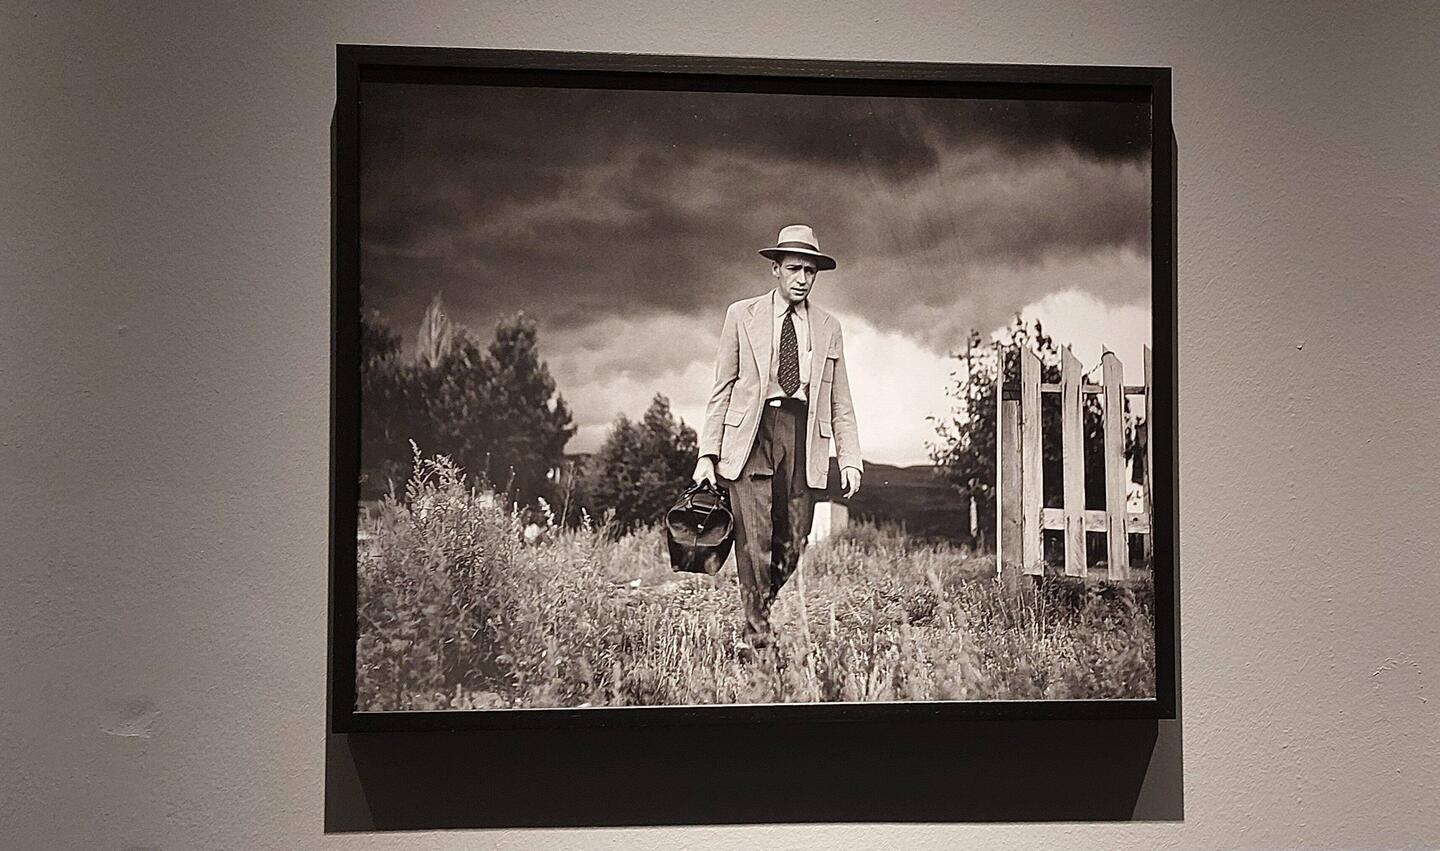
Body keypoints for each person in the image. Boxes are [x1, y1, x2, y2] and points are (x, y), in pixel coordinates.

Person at [693, 224, 863, 656]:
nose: (802, 278)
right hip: (750, 435)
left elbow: (839, 398)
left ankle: (757, 610)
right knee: (754, 538)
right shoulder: (740, 315)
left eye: (810, 270)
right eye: (794, 268)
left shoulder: (829, 327)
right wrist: (707, 453)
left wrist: (850, 458)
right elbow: (723, 386)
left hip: (804, 435)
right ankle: (757, 638)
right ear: (775, 269)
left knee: (794, 540)